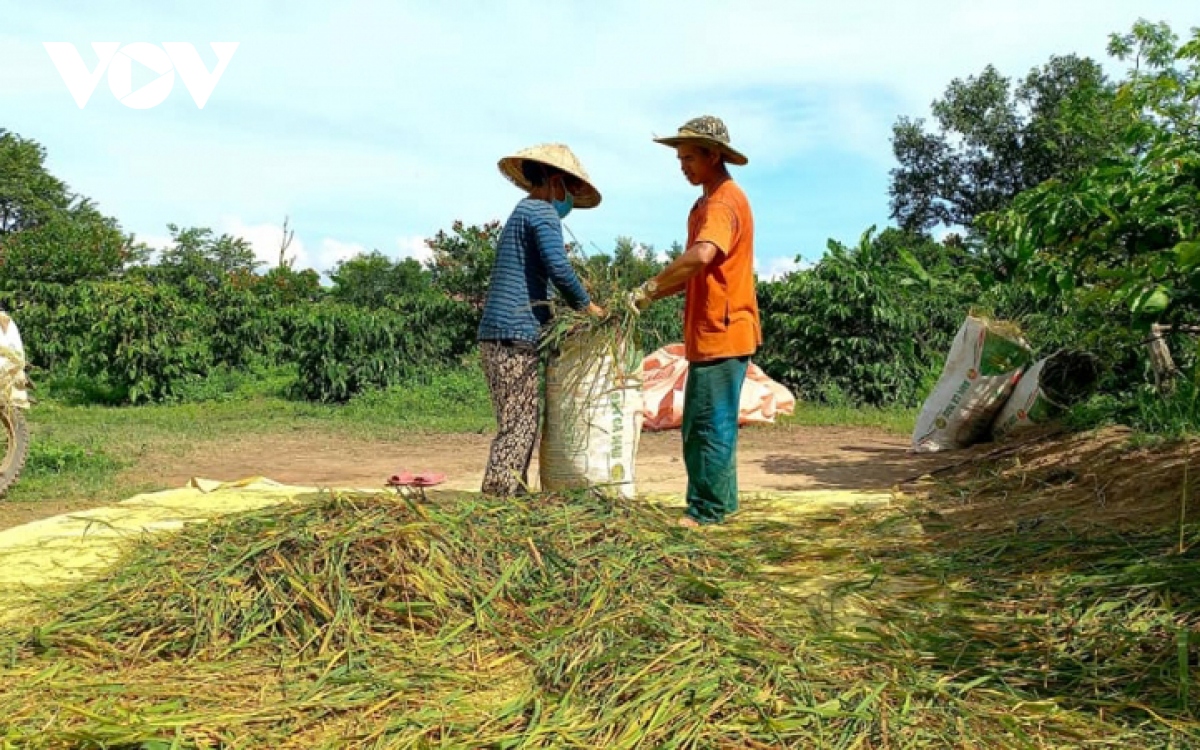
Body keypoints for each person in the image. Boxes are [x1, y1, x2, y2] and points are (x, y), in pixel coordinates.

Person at [629, 116, 761, 528]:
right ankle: (721, 504)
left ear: (714, 155)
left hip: (723, 332)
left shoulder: (723, 201)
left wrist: (648, 288)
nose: (682, 166)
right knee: (705, 425)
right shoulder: (705, 203)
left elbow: (702, 255)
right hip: (710, 334)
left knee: (708, 426)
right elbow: (694, 271)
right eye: (679, 158)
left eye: (689, 158)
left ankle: (708, 512)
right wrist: (650, 293)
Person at [478, 143, 605, 497]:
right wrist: (587, 307)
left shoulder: (522, 211)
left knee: (518, 423)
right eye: (566, 188)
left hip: (502, 334)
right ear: (553, 181)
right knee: (518, 425)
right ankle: (499, 502)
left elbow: (536, 279)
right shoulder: (541, 212)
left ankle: (509, 496)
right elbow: (559, 269)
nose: (567, 199)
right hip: (512, 335)